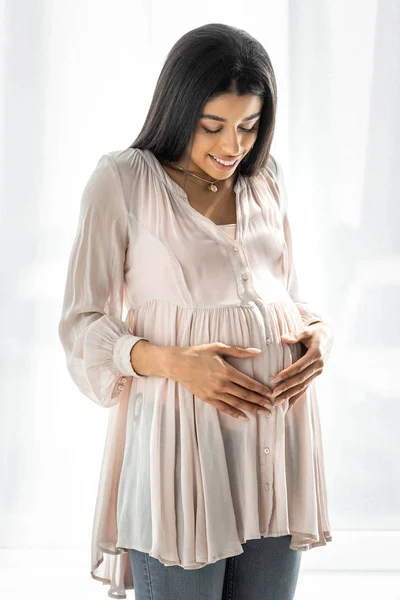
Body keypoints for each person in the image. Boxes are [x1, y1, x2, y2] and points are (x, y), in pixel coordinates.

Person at [58, 22, 334, 600]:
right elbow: (82, 323)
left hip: (275, 450)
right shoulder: (123, 182)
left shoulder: (266, 181)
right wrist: (173, 362)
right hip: (180, 458)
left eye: (249, 126)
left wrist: (318, 336)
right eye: (213, 126)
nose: (234, 146)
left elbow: (280, 293)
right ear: (179, 110)